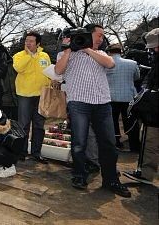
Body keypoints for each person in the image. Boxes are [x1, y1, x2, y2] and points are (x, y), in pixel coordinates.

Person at [55, 24, 131, 198]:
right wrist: (69, 48)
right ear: (88, 34)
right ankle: (80, 175)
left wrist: (87, 48)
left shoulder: (102, 53)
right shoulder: (66, 54)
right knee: (79, 143)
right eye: (99, 35)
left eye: (103, 36)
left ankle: (111, 179)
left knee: (109, 144)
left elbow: (110, 64)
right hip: (78, 104)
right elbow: (59, 70)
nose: (101, 38)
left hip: (102, 104)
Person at [125, 28, 158, 184]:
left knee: (150, 140)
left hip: (155, 112)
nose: (152, 51)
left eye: (154, 47)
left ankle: (145, 173)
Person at [13, 31, 51, 163]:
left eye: (31, 41)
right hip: (25, 95)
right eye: (26, 41)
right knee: (23, 125)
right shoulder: (19, 55)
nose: (28, 43)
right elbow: (18, 68)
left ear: (38, 43)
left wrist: (51, 83)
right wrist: (29, 55)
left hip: (42, 95)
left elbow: (48, 72)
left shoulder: (44, 55)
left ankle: (36, 152)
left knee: (39, 125)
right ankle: (21, 152)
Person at [105, 43, 140, 151]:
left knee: (113, 121)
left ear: (109, 52)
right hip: (128, 96)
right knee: (130, 121)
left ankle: (116, 142)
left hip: (111, 96)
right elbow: (137, 77)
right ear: (121, 52)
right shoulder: (132, 63)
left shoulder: (105, 64)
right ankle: (134, 144)